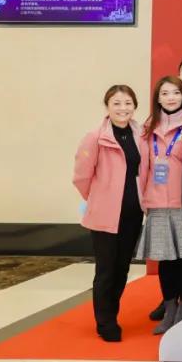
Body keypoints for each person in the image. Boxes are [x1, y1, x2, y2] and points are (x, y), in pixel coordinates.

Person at [73, 85, 148, 342]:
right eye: (116, 103)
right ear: (107, 106)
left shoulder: (141, 134)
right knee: (106, 270)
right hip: (105, 215)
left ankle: (111, 313)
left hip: (133, 214)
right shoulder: (95, 137)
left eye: (128, 103)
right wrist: (98, 199)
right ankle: (105, 322)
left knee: (122, 268)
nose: (122, 108)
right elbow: (81, 177)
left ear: (134, 106)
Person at [138, 77, 182, 334]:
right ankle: (170, 307)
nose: (171, 97)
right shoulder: (148, 127)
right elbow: (142, 167)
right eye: (165, 93)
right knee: (166, 260)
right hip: (157, 203)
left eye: (176, 92)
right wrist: (143, 199)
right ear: (158, 98)